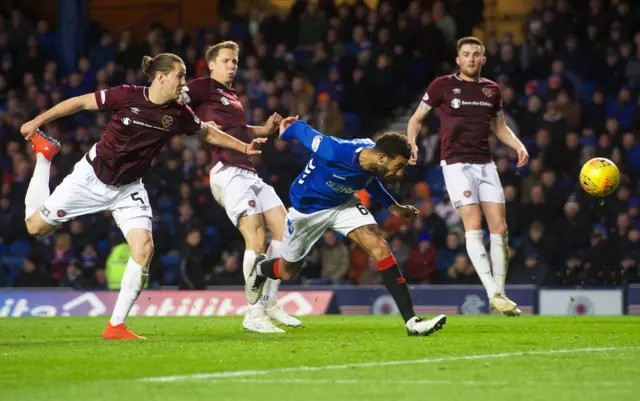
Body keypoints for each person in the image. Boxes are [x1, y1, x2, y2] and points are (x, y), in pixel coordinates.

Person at [20, 53, 264, 340]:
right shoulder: (126, 95)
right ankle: (44, 157)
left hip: (128, 188)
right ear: (161, 77)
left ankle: (116, 326)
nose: (183, 83)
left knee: (145, 249)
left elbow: (207, 134)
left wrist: (244, 148)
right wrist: (38, 120)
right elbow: (78, 103)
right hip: (90, 180)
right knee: (35, 227)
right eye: (179, 76)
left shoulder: (178, 112)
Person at [245, 117, 447, 336]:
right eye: (397, 167)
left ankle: (412, 322)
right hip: (308, 209)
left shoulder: (371, 163)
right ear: (381, 157)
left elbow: (369, 182)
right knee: (286, 272)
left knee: (380, 247)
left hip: (343, 203)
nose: (399, 174)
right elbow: (302, 131)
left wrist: (395, 207)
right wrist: (287, 129)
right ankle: (260, 268)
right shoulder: (335, 150)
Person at [407, 37, 528, 316]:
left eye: (476, 55)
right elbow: (415, 120)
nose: (471, 59)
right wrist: (411, 143)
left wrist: (518, 145)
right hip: (456, 165)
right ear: (458, 60)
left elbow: (499, 126)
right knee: (473, 225)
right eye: (466, 55)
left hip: (486, 165)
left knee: (500, 229)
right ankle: (491, 291)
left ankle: (500, 295)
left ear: (483, 60)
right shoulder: (442, 86)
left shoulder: (491, 90)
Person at [184, 41, 300, 333]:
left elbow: (240, 131)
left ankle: (270, 303)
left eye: (234, 61)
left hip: (248, 171)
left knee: (285, 229)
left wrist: (265, 130)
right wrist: (196, 122)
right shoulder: (204, 87)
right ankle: (253, 312)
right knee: (256, 235)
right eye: (226, 61)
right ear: (211, 65)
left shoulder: (229, 96)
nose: (232, 66)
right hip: (226, 172)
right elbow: (172, 100)